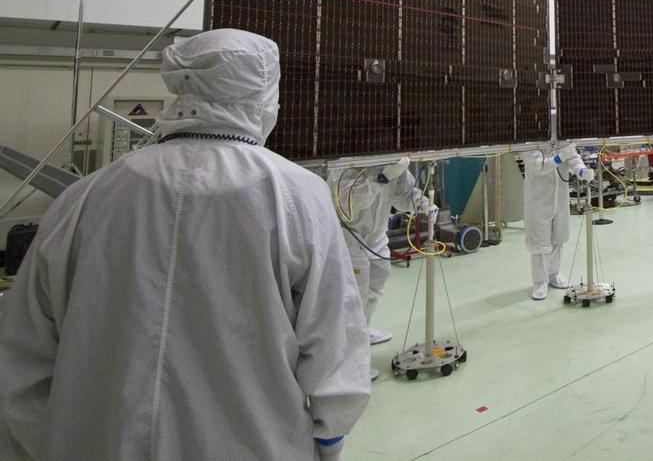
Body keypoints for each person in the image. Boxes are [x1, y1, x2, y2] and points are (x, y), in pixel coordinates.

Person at [0, 29, 370, 460]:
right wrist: (330, 437)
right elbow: (332, 341)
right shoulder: (296, 196)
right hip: (258, 443)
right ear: (264, 94)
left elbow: (23, 357)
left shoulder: (85, 197)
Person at [333, 153, 430, 369]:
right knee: (353, 294)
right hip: (348, 235)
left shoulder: (394, 159)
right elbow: (346, 203)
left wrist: (422, 203)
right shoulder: (345, 161)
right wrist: (381, 178)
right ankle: (349, 362)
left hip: (376, 234)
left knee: (377, 279)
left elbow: (402, 195)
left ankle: (362, 331)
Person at [519, 142, 592, 300]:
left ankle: (554, 274)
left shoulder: (562, 140)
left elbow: (573, 158)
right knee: (540, 243)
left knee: (558, 237)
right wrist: (560, 157)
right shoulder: (532, 142)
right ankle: (539, 282)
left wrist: (582, 170)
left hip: (560, 199)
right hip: (538, 200)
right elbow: (539, 167)